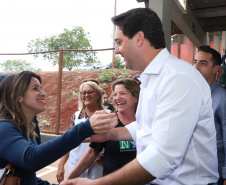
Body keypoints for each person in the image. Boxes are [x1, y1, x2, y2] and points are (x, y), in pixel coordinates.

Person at [60, 8, 218, 185]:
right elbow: (146, 127)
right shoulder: (152, 78)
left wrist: (96, 184)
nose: (117, 51)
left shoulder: (177, 78)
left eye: (119, 42)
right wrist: (111, 134)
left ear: (139, 39)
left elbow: (164, 157)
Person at [0, 71, 117, 185]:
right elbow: (32, 159)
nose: (43, 93)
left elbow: (25, 176)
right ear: (18, 96)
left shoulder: (26, 128)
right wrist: (85, 128)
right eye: (35, 88)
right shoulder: (4, 128)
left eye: (41, 88)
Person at [66, 78, 139, 180]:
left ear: (135, 96)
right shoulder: (107, 121)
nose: (117, 98)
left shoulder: (147, 122)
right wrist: (69, 179)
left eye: (122, 93)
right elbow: (92, 153)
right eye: (115, 94)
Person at [56, 81, 105, 183]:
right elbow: (69, 142)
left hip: (98, 167)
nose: (86, 95)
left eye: (90, 92)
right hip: (75, 165)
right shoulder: (76, 116)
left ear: (98, 95)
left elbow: (113, 141)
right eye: (83, 93)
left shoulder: (107, 115)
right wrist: (61, 165)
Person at [193, 45, 226, 185]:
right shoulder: (191, 95)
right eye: (195, 61)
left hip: (214, 175)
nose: (196, 67)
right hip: (192, 172)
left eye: (203, 63)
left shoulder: (222, 97)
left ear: (216, 68)